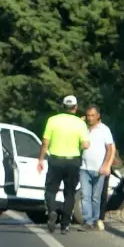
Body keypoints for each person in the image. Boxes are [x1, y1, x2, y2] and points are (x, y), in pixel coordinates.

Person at [37, 95, 90, 234]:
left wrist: (41, 159)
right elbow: (85, 145)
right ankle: (65, 224)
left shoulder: (53, 120)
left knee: (50, 190)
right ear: (76, 107)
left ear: (63, 107)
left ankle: (52, 211)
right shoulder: (80, 123)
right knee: (70, 193)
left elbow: (45, 142)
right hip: (73, 161)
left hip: (55, 160)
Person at [79, 105, 115, 231]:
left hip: (99, 168)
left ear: (98, 115)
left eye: (92, 115)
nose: (90, 118)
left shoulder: (104, 129)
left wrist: (106, 165)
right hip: (84, 168)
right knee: (85, 196)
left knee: (96, 197)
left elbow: (110, 148)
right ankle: (87, 220)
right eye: (88, 115)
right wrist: (81, 122)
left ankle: (95, 219)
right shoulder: (84, 129)